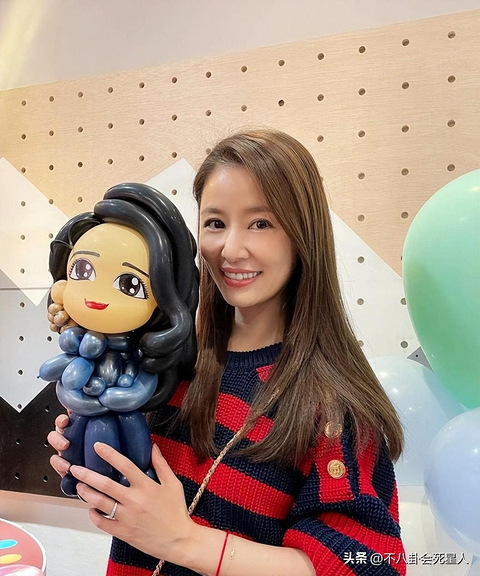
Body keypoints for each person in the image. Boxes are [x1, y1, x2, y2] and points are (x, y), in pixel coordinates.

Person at [49, 129, 406, 576]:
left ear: (303, 234)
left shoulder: (334, 407)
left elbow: (371, 564)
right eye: (215, 223)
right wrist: (97, 464)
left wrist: (185, 541)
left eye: (261, 223)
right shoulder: (170, 365)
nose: (231, 250)